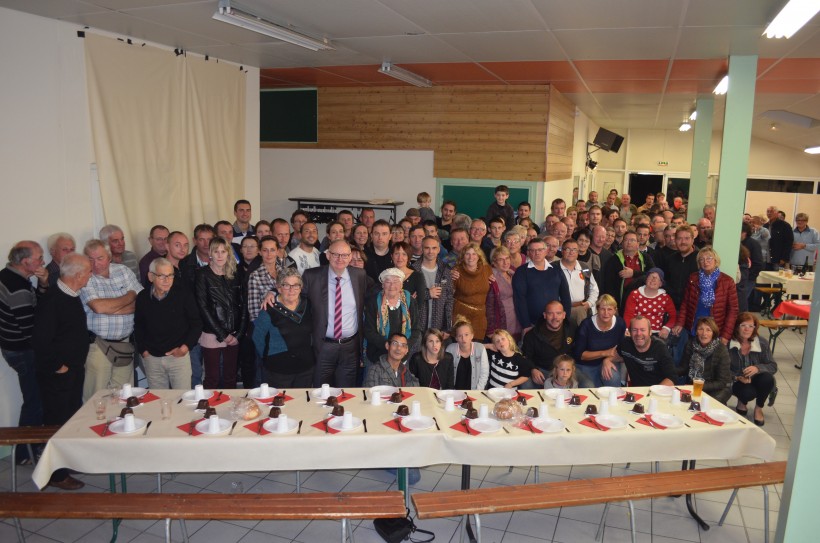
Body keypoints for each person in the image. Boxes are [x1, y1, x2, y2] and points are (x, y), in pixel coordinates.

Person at [33, 253, 92, 490]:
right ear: (77, 275)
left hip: (73, 370)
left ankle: (67, 462)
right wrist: (60, 366)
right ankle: (56, 475)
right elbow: (40, 341)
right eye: (88, 271)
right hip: (58, 374)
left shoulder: (71, 295)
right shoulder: (53, 300)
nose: (90, 275)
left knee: (70, 417)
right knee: (56, 421)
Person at [0, 241, 48, 463]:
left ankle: (28, 450)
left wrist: (43, 283)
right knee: (35, 401)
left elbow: (37, 305)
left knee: (33, 399)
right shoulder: (17, 287)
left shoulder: (8, 276)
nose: (42, 261)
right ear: (26, 261)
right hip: (23, 351)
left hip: (13, 348)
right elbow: (30, 328)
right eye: (39, 258)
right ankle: (25, 453)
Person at [80, 239, 143, 402]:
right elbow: (99, 308)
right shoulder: (85, 277)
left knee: (123, 396)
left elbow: (142, 302)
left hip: (124, 343)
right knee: (95, 398)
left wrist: (112, 308)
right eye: (90, 259)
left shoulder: (123, 271)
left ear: (109, 257)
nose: (94, 264)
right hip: (98, 346)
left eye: (99, 258)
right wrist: (129, 296)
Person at [301, 240, 367, 387]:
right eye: (335, 254)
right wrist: (273, 293)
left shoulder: (359, 275)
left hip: (350, 346)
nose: (340, 259)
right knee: (321, 390)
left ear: (350, 257)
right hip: (323, 345)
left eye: (344, 255)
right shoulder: (312, 276)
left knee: (347, 391)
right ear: (328, 255)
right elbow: (294, 295)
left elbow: (374, 292)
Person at [134, 257, 202, 389]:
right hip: (152, 358)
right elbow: (139, 325)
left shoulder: (184, 295)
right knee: (159, 400)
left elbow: (196, 323)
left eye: (170, 275)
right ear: (150, 276)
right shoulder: (142, 297)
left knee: (182, 399)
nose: (167, 280)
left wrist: (184, 348)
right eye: (162, 276)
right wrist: (144, 351)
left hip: (178, 357)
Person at [195, 237, 247, 390]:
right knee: (213, 378)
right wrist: (223, 334)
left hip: (234, 334)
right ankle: (209, 411)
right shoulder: (202, 274)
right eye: (216, 251)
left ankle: (230, 411)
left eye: (223, 251)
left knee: (230, 377)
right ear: (210, 253)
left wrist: (239, 334)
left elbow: (243, 305)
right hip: (212, 334)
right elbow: (203, 308)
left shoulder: (236, 273)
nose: (219, 255)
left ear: (228, 253)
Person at [252, 268, 315, 388]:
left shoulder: (308, 304)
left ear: (301, 287)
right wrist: (269, 358)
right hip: (278, 369)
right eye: (286, 285)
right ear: (279, 288)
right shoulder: (268, 309)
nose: (291, 290)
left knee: (302, 403)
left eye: (296, 285)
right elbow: (257, 338)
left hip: (306, 367)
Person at [674, 247, 739, 344]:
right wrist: (680, 323)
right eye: (701, 259)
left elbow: (733, 310)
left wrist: (726, 335)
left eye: (709, 258)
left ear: (716, 261)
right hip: (694, 326)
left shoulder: (727, 281)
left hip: (716, 329)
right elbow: (685, 304)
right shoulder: (693, 278)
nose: (705, 262)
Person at [512, 238, 572, 336]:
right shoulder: (521, 272)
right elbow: (519, 300)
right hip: (532, 324)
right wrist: (525, 325)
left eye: (540, 250)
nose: (537, 253)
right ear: (528, 253)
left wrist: (566, 320)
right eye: (533, 250)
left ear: (546, 251)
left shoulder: (556, 270)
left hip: (556, 323)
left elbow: (566, 296)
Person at [364, 267, 422, 364]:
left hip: (402, 356)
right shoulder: (373, 302)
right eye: (388, 282)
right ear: (382, 285)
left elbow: (415, 329)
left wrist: (404, 346)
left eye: (396, 281)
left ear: (401, 285)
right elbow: (369, 331)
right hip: (377, 356)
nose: (392, 286)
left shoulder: (410, 301)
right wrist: (389, 345)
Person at [728, 313, 777, 426]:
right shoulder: (729, 344)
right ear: (736, 327)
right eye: (743, 325)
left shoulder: (762, 342)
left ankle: (758, 408)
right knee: (747, 393)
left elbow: (773, 366)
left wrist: (757, 368)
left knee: (768, 379)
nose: (747, 329)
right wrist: (737, 377)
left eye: (751, 326)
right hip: (737, 380)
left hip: (757, 378)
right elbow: (722, 369)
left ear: (755, 328)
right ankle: (742, 401)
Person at [573, 294, 626, 387]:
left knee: (613, 378)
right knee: (589, 387)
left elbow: (621, 350)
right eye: (602, 309)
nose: (606, 313)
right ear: (597, 309)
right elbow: (579, 355)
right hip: (586, 365)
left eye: (609, 309)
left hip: (609, 361)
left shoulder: (620, 323)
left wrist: (607, 359)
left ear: (615, 310)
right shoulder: (586, 325)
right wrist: (604, 353)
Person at [521, 301, 576, 388]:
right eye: (550, 314)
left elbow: (577, 350)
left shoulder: (572, 327)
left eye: (558, 313)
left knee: (587, 384)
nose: (555, 317)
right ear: (545, 315)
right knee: (526, 385)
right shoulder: (532, 335)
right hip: (542, 371)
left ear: (564, 315)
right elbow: (526, 357)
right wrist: (533, 369)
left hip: (566, 369)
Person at [679, 317, 732, 404]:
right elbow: (684, 368)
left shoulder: (721, 350)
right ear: (696, 331)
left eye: (708, 330)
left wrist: (697, 386)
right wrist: (668, 370)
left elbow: (722, 382)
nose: (704, 333)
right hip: (695, 386)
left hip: (718, 389)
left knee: (704, 405)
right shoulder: (690, 344)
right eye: (701, 329)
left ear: (713, 332)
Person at [602, 230, 653, 312]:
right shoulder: (614, 259)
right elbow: (609, 284)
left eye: (632, 240)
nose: (629, 242)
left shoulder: (645, 257)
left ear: (638, 243)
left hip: (643, 299)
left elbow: (653, 275)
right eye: (626, 240)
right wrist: (613, 304)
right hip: (622, 302)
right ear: (622, 243)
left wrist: (634, 273)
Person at [617, 315, 676, 387]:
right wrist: (607, 360)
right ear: (629, 332)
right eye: (634, 330)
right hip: (637, 392)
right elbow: (615, 355)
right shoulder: (626, 344)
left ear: (650, 332)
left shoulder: (660, 348)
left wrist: (652, 393)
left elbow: (672, 378)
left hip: (658, 392)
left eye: (642, 330)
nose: (638, 334)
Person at [451, 242, 493, 340]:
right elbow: (448, 296)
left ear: (479, 256)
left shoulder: (487, 269)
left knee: (477, 348)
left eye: (474, 254)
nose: (471, 257)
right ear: (462, 256)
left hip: (480, 317)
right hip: (461, 316)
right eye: (467, 254)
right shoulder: (456, 272)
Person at [412, 236, 454, 333]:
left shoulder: (445, 270)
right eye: (427, 248)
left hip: (438, 328)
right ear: (422, 249)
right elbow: (408, 298)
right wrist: (427, 294)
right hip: (416, 327)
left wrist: (447, 328)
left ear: (439, 249)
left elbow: (449, 299)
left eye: (434, 248)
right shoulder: (413, 270)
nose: (430, 251)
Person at [622, 268, 676, 338]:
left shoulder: (665, 298)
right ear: (646, 279)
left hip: (655, 333)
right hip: (637, 332)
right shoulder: (634, 294)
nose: (653, 279)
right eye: (651, 276)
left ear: (660, 284)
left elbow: (673, 316)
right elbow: (628, 314)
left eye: (657, 278)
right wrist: (626, 329)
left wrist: (666, 328)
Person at [559, 238, 599, 328]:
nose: (571, 252)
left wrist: (589, 303)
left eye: (574, 250)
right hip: (560, 309)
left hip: (582, 307)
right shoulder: (554, 268)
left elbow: (594, 288)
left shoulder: (584, 267)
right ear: (562, 251)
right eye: (568, 249)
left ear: (578, 252)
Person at [485, 246, 521, 342]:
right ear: (494, 262)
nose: (505, 262)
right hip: (502, 320)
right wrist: (490, 329)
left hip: (517, 319)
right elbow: (489, 306)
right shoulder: (491, 278)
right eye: (501, 260)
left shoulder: (514, 273)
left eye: (507, 258)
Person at [445, 318, 489, 390]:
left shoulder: (480, 349)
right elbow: (446, 373)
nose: (463, 338)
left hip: (474, 391)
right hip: (455, 392)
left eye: (466, 335)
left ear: (472, 335)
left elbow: (484, 373)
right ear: (456, 338)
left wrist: (477, 391)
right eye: (460, 336)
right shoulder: (450, 349)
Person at [764, 205, 794, 269]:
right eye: (768, 211)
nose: (769, 213)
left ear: (777, 213)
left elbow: (788, 243)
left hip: (778, 260)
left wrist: (784, 258)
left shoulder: (785, 226)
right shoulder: (765, 226)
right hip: (765, 259)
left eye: (771, 211)